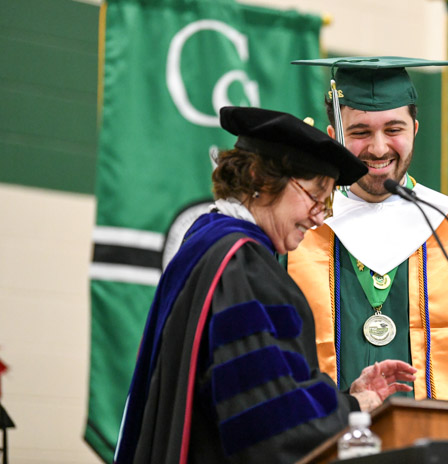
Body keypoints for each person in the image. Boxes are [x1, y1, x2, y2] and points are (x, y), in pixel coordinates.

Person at [114, 106, 417, 464]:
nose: (319, 217)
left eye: (326, 203)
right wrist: (355, 409)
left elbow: (253, 391)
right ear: (259, 178)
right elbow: (268, 425)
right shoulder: (244, 268)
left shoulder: (206, 240)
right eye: (314, 197)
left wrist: (348, 400)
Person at [286, 57, 448, 406]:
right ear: (333, 137)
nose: (378, 148)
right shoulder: (299, 232)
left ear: (415, 129)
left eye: (394, 129)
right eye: (360, 132)